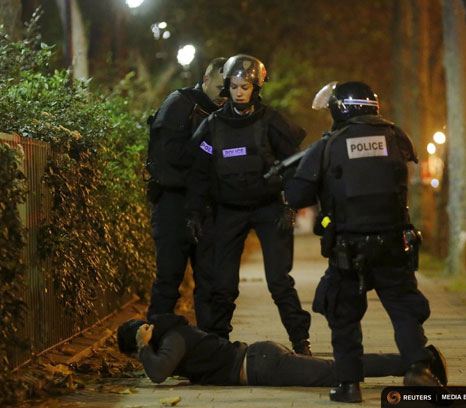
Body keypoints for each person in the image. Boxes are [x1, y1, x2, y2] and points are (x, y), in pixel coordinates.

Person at [284, 81, 446, 402]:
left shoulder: (328, 145)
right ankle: (418, 369)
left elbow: (296, 194)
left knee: (342, 312)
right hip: (393, 243)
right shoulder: (397, 137)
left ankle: (348, 386)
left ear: (338, 109)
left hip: (349, 248)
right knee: (403, 307)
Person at [185, 54, 312, 355]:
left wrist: (291, 205)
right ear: (227, 86)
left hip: (268, 208)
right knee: (223, 284)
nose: (239, 92)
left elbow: (296, 167)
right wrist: (194, 211)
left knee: (279, 281)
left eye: (245, 86)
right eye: (234, 86)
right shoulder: (212, 126)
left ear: (257, 87)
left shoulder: (272, 121)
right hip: (228, 210)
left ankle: (300, 341)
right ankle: (217, 343)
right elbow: (199, 172)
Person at [116, 314, 447, 388]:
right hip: (261, 361)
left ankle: (418, 359)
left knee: (337, 370)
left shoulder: (172, 337)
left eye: (135, 351)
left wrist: (143, 349)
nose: (139, 358)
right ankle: (415, 360)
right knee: (336, 368)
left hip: (262, 364)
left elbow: (157, 372)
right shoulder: (173, 338)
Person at [145, 58, 227, 331]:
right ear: (205, 80)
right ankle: (156, 345)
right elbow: (168, 155)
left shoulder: (228, 111)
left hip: (208, 207)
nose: (224, 94)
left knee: (211, 283)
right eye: (219, 86)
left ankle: (214, 350)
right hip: (174, 203)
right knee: (168, 278)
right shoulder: (179, 104)